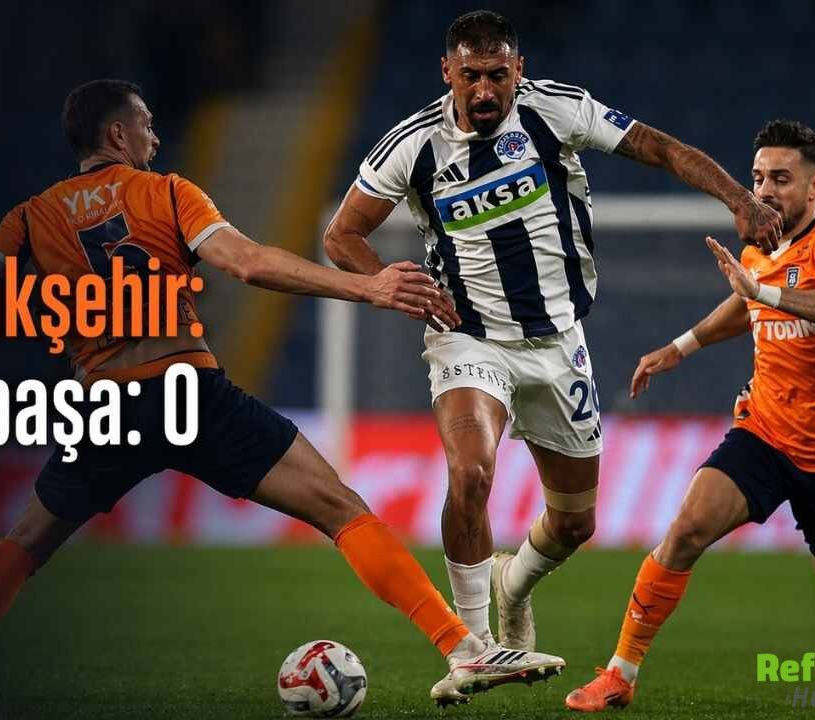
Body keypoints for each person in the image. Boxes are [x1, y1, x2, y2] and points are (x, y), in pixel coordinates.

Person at [0, 78, 565, 708]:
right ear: (118, 134)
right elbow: (248, 263)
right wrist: (368, 286)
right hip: (186, 393)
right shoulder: (166, 192)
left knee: (27, 541)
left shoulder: (30, 217)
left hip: (103, 406)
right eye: (145, 125)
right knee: (339, 508)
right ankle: (463, 649)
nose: (155, 136)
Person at [323, 9, 785, 662]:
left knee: (573, 523)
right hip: (468, 337)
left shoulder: (555, 110)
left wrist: (738, 198)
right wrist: (383, 282)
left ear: (520, 70)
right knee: (471, 471)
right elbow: (341, 234)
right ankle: (473, 646)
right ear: (447, 72)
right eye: (471, 76)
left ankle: (513, 585)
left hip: (558, 340)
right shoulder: (414, 144)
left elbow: (658, 146)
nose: (485, 90)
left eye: (498, 75)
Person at [565, 119, 815, 712]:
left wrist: (766, 294)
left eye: (781, 179)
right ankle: (620, 673)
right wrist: (680, 347)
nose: (764, 190)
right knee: (686, 530)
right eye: (758, 177)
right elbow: (746, 300)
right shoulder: (760, 245)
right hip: (764, 432)